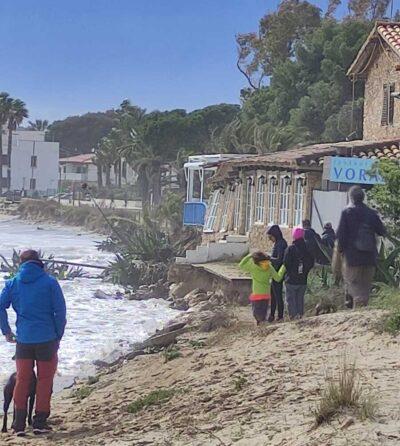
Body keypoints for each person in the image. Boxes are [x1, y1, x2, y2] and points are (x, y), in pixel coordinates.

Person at [0, 250, 66, 437]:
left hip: (24, 339)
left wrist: (6, 331)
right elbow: (60, 312)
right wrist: (58, 335)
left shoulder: (12, 283)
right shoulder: (50, 282)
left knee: (22, 379)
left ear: (21, 263)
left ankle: (18, 424)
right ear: (38, 262)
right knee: (45, 380)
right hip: (47, 338)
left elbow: (0, 306)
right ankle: (39, 422)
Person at [336, 185, 385, 308]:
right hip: (369, 257)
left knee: (354, 285)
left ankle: (356, 313)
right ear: (363, 198)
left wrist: (340, 252)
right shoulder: (371, 213)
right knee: (365, 288)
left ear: (351, 197)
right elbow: (382, 231)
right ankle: (362, 312)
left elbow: (341, 235)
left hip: (352, 257)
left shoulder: (347, 213)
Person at [239, 251, 281, 325]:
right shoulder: (269, 267)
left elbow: (241, 265)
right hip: (266, 295)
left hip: (257, 295)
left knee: (256, 313)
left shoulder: (253, 267)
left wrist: (249, 255)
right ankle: (262, 323)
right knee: (264, 313)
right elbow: (278, 278)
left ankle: (259, 324)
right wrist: (284, 267)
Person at [282, 227, 314, 320]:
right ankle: (300, 316)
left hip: (291, 279)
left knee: (291, 300)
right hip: (302, 280)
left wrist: (290, 271)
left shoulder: (290, 249)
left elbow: (285, 263)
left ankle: (293, 318)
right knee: (300, 300)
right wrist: (305, 272)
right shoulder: (307, 249)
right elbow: (311, 263)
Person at [266, 225, 288, 322]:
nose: (270, 240)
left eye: (271, 237)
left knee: (278, 295)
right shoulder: (278, 243)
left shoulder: (281, 244)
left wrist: (269, 258)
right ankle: (272, 315)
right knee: (273, 295)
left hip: (278, 273)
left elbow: (279, 260)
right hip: (275, 272)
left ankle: (280, 316)